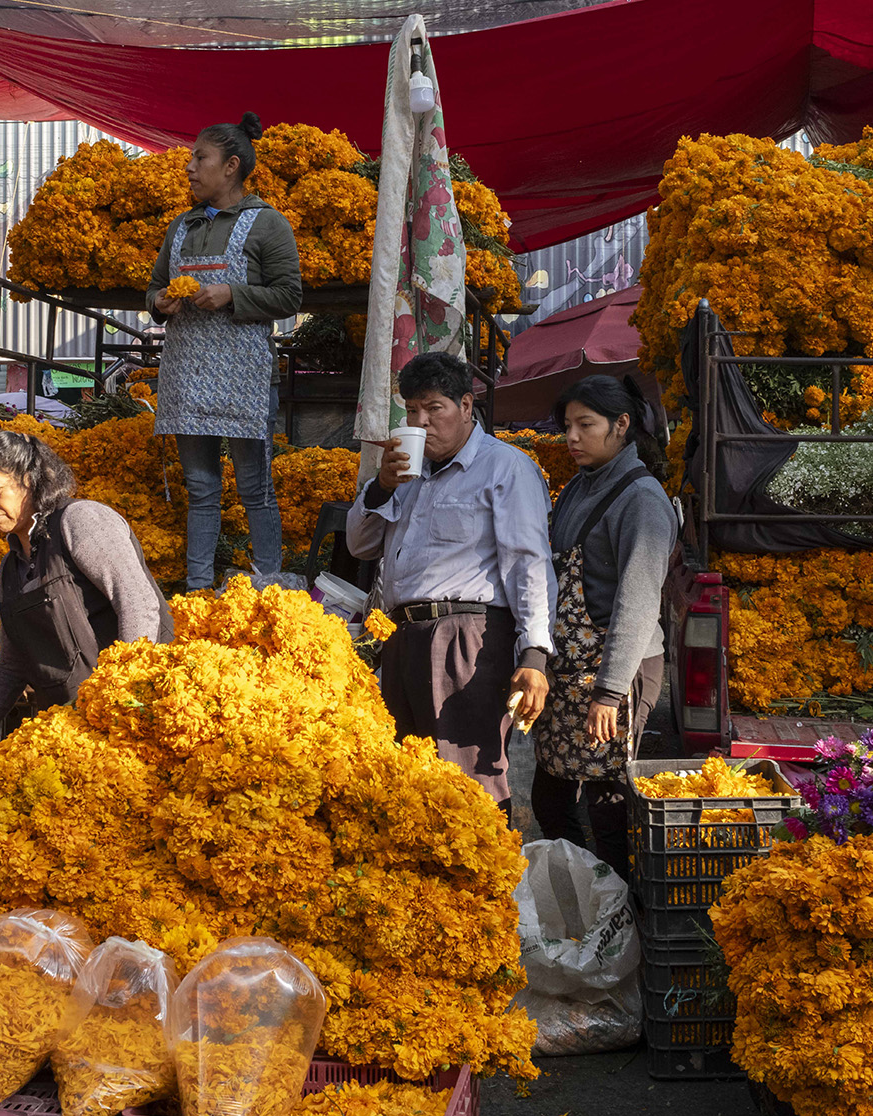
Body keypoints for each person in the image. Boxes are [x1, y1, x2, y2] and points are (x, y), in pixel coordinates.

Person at [345, 352, 554, 807]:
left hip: (468, 640)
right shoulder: (406, 473)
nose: (421, 422)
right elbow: (360, 545)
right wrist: (381, 486)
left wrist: (534, 654)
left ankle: (488, 874)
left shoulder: (506, 467)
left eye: (433, 408)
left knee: (468, 782)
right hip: (403, 637)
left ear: (465, 406)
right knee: (408, 778)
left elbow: (529, 564)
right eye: (412, 410)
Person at [527, 376, 677, 878]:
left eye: (584, 425)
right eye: (567, 425)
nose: (571, 437)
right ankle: (584, 897)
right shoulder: (578, 486)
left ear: (621, 425)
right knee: (550, 797)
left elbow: (637, 601)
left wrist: (609, 693)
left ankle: (617, 910)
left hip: (617, 671)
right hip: (569, 674)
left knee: (606, 804)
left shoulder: (641, 499)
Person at [145, 111, 303, 590]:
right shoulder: (181, 227)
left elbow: (290, 295)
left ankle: (270, 583)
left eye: (200, 158)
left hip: (244, 376)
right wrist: (160, 303)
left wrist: (232, 294)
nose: (190, 167)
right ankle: (198, 586)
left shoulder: (267, 225)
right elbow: (152, 288)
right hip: (186, 375)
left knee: (255, 488)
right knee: (201, 489)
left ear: (231, 165)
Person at [0, 429, 173, 756]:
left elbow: (138, 605)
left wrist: (123, 696)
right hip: (75, 731)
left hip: (140, 712)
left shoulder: (80, 522)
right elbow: (13, 663)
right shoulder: (10, 571)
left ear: (29, 481)